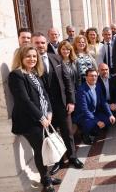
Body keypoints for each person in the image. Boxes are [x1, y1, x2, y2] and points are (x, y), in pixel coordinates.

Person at [9, 46, 60, 192]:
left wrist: (49, 111)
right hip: (29, 122)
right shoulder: (16, 75)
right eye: (28, 56)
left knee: (44, 149)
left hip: (44, 118)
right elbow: (23, 100)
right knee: (40, 151)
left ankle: (47, 176)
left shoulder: (34, 73)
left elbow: (44, 94)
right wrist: (40, 117)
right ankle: (46, 181)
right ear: (21, 58)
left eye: (34, 56)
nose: (32, 59)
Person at [32, 33, 83, 175]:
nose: (40, 45)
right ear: (32, 44)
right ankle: (58, 161)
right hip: (44, 109)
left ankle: (72, 157)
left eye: (42, 42)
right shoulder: (30, 62)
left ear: (46, 43)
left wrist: (71, 101)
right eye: (37, 43)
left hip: (62, 104)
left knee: (67, 132)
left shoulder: (56, 57)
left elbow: (67, 80)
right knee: (51, 136)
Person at [73, 69, 116, 144]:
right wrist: (97, 121)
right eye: (91, 76)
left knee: (109, 120)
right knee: (91, 123)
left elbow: (103, 102)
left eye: (95, 76)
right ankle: (84, 134)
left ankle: (93, 130)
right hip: (83, 115)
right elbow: (84, 110)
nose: (94, 78)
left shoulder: (98, 86)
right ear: (86, 77)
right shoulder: (82, 90)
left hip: (95, 112)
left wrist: (110, 115)